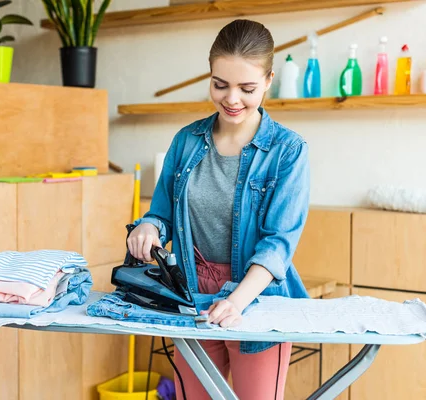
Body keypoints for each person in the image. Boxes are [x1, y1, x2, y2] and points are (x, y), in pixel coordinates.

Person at [127, 19, 311, 400]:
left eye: (247, 88)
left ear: (268, 80)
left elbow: (278, 244)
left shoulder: (287, 151)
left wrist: (236, 301)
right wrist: (148, 228)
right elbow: (160, 214)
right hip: (191, 296)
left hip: (257, 299)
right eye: (220, 84)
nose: (231, 99)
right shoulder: (186, 141)